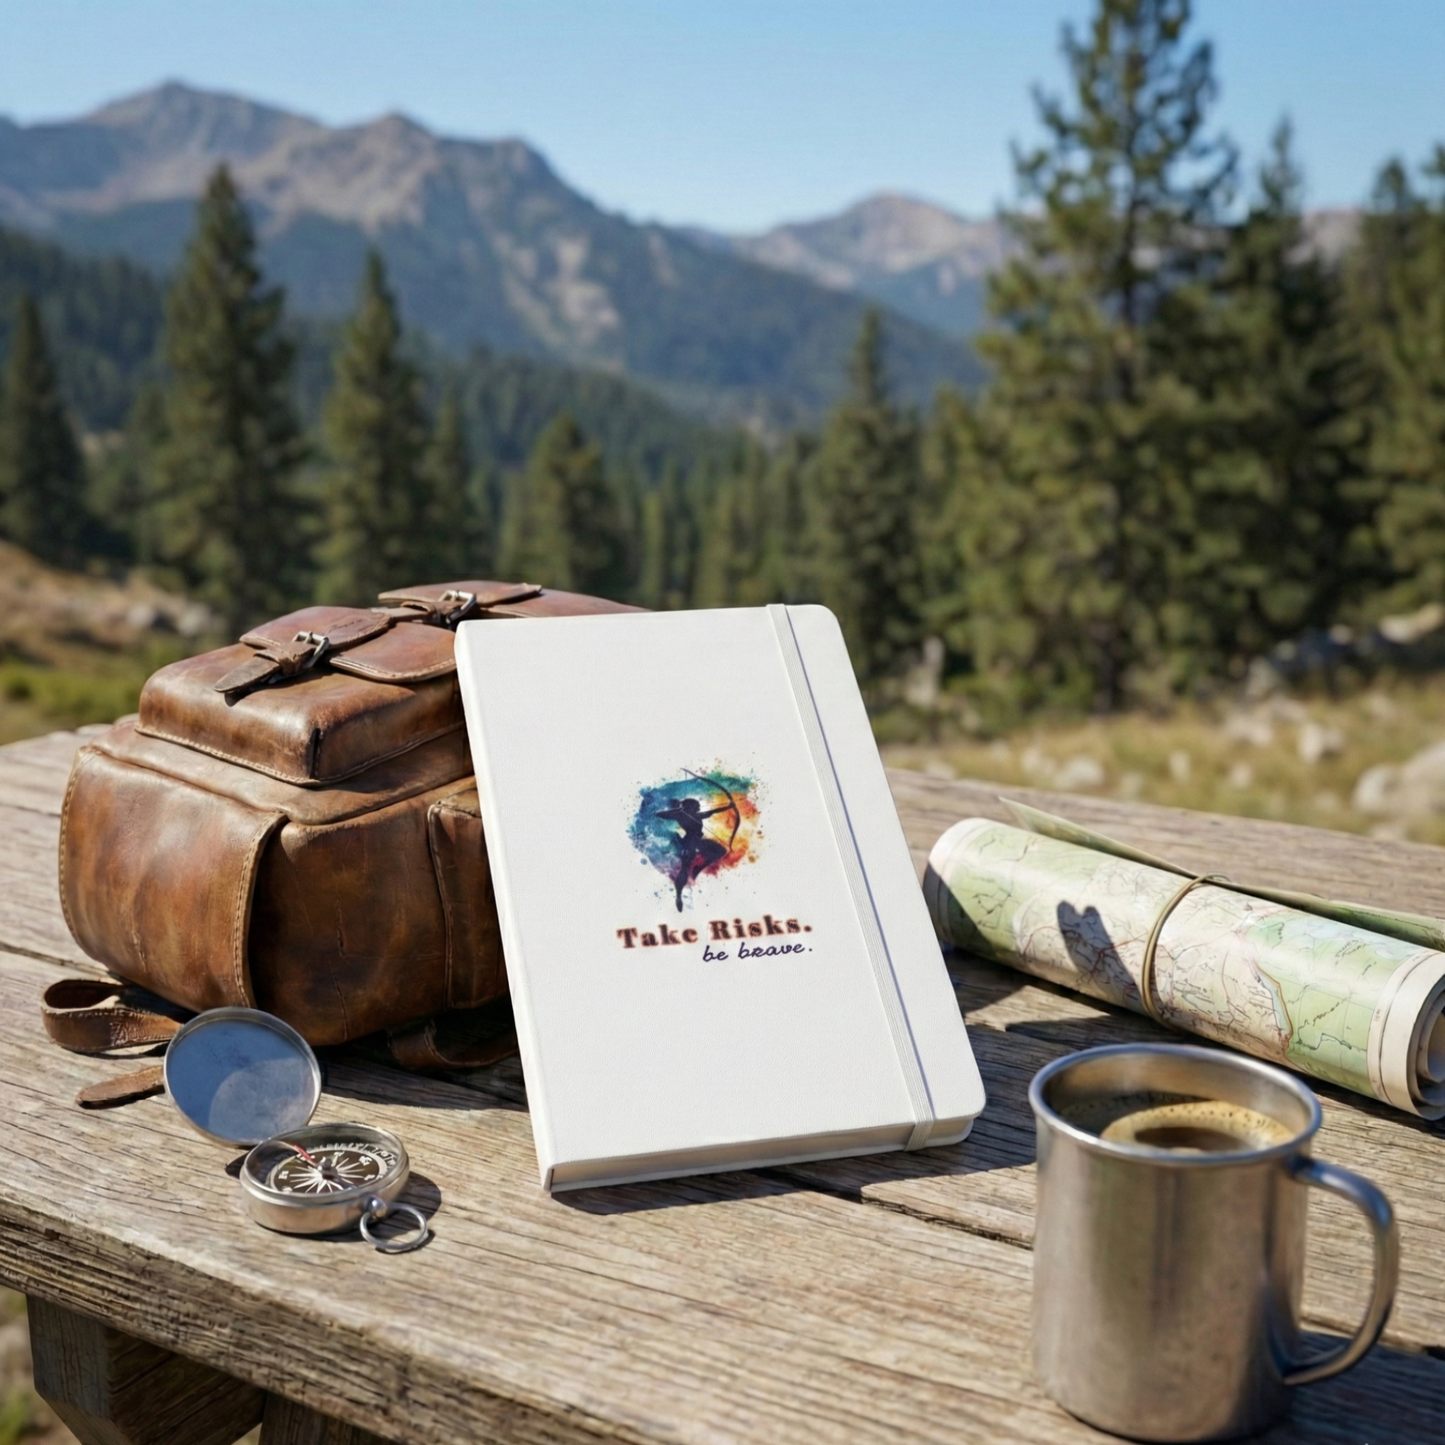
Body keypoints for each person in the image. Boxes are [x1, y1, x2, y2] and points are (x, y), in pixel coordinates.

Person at [656, 795, 731, 911]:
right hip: (688, 843)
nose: (699, 807)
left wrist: (729, 806)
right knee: (685, 868)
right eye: (696, 806)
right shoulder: (680, 815)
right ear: (690, 807)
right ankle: (679, 896)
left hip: (697, 841)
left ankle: (698, 868)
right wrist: (679, 810)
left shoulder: (697, 815)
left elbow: (712, 811)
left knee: (720, 851)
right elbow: (659, 814)